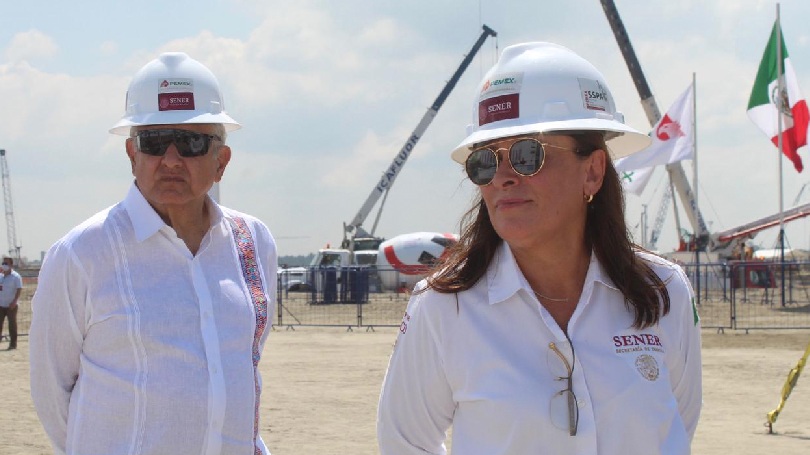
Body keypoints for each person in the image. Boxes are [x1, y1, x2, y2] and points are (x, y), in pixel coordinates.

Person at [377, 42, 702, 454]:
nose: (503, 177)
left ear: (593, 171)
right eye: (485, 161)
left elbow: (676, 423)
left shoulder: (663, 289)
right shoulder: (444, 307)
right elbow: (405, 443)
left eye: (527, 154)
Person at [29, 52, 278, 455]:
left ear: (221, 161)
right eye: (155, 142)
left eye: (192, 143)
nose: (171, 160)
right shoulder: (82, 253)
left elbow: (243, 365)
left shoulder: (253, 242)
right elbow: (51, 390)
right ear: (133, 155)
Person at [0, 256, 23, 350]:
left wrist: (14, 301)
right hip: (1, 304)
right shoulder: (1, 276)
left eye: (6, 263)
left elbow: (19, 289)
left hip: (11, 305)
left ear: (11, 265)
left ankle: (13, 344)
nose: (4, 265)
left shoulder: (16, 277)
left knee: (12, 325)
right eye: (3, 263)